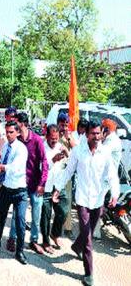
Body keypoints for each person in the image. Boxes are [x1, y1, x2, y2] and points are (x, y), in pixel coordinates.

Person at [53, 120, 119, 286]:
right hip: (82, 199)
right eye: (93, 134)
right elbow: (68, 171)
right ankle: (89, 274)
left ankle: (76, 247)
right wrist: (58, 188)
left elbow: (112, 175)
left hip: (98, 199)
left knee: (87, 232)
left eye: (99, 133)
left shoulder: (105, 153)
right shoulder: (78, 151)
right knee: (88, 238)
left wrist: (115, 194)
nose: (96, 137)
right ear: (87, 134)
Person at [0, 121, 29, 265]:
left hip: (20, 191)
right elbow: (2, 161)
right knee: (1, 218)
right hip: (6, 188)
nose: (8, 135)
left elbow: (12, 168)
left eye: (11, 132)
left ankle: (20, 251)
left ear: (18, 133)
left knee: (20, 222)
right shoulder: (5, 146)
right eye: (7, 132)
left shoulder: (21, 149)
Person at [7, 112, 48, 255]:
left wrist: (42, 183)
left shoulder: (36, 140)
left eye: (15, 123)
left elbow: (44, 163)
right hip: (20, 184)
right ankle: (12, 238)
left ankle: (34, 241)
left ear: (22, 124)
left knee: (36, 216)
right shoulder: (16, 142)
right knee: (18, 215)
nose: (13, 125)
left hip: (35, 184)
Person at [40, 125, 69, 253]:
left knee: (64, 211)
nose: (54, 141)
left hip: (58, 186)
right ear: (46, 136)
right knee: (45, 216)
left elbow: (69, 164)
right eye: (52, 138)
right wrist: (52, 160)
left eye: (56, 138)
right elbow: (40, 168)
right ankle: (45, 241)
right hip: (45, 187)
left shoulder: (60, 146)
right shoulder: (41, 147)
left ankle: (55, 234)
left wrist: (68, 153)